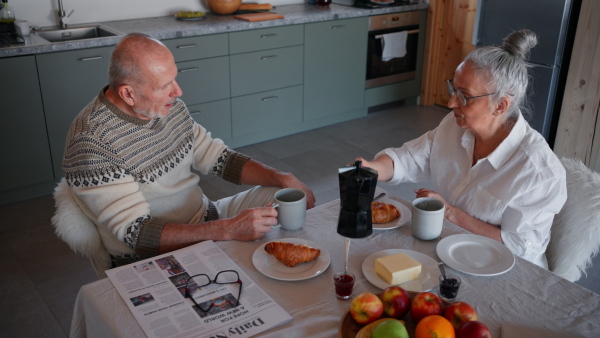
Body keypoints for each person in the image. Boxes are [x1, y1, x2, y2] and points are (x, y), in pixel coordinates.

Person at [61, 33, 315, 267]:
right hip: (150, 254)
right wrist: (226, 230)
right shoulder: (91, 143)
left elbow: (220, 158)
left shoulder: (165, 108)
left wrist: (281, 177)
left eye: (175, 77)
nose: (178, 91)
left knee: (286, 193)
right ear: (128, 94)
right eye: (164, 85)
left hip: (207, 219)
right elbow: (136, 234)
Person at [357, 29, 566, 268]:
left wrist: (450, 213)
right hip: (455, 250)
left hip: (508, 273)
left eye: (465, 96)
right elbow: (409, 158)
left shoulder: (539, 172)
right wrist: (371, 169)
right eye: (453, 89)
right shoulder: (455, 126)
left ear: (500, 106)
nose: (451, 103)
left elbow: (520, 249)